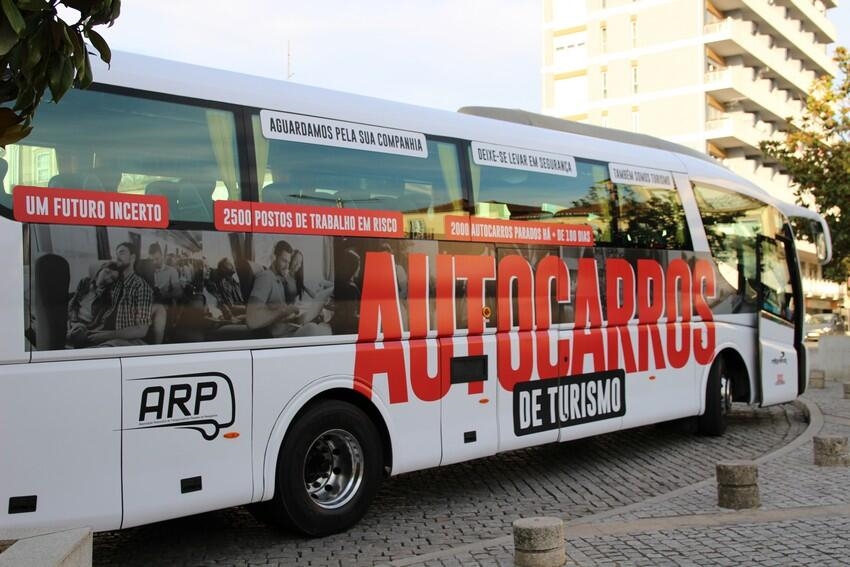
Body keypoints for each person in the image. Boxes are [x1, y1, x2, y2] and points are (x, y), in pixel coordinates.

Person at [87, 242, 154, 346]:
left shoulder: (141, 287)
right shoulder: (115, 282)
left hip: (123, 339)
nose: (117, 257)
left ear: (132, 258)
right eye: (116, 254)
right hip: (102, 329)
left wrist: (105, 335)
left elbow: (141, 330)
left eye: (121, 253)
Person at [246, 240, 302, 337]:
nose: (287, 266)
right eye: (284, 261)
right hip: (278, 336)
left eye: (288, 262)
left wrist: (292, 314)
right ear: (274, 257)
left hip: (286, 330)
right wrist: (283, 312)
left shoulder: (278, 280)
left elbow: (274, 314)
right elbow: (251, 320)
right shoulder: (265, 277)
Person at [66, 261, 120, 347]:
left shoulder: (107, 298)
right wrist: (71, 321)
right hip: (72, 318)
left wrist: (83, 327)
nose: (107, 278)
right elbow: (73, 303)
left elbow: (97, 322)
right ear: (101, 269)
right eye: (107, 272)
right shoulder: (85, 282)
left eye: (112, 278)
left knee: (79, 334)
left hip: (86, 326)